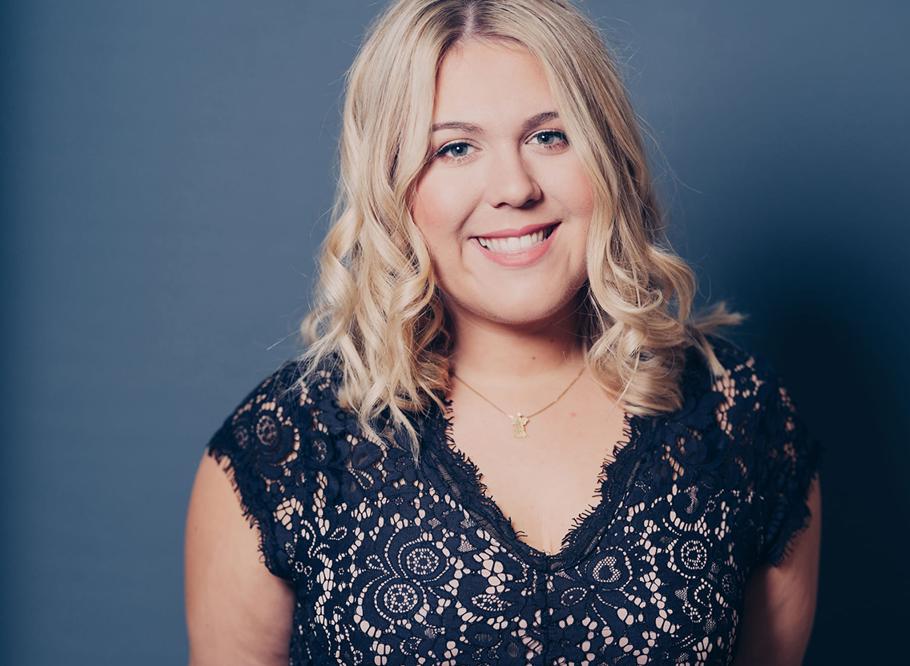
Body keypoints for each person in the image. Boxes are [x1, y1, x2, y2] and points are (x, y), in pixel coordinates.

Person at [184, 0, 823, 664]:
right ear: (393, 188)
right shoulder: (286, 450)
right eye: (455, 148)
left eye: (549, 136)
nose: (514, 187)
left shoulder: (742, 421)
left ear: (605, 154)